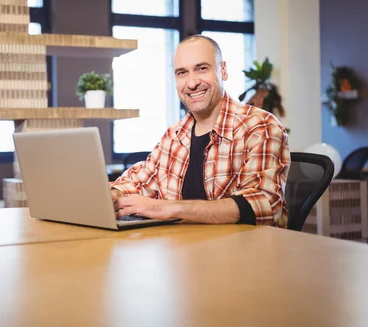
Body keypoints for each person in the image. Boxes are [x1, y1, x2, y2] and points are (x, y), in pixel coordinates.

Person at [111, 35, 291, 227]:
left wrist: (169, 208)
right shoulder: (174, 136)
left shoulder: (260, 127)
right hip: (183, 249)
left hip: (243, 252)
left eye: (201, 68)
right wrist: (114, 195)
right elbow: (139, 180)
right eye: (182, 73)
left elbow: (261, 205)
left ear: (223, 70)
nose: (191, 83)